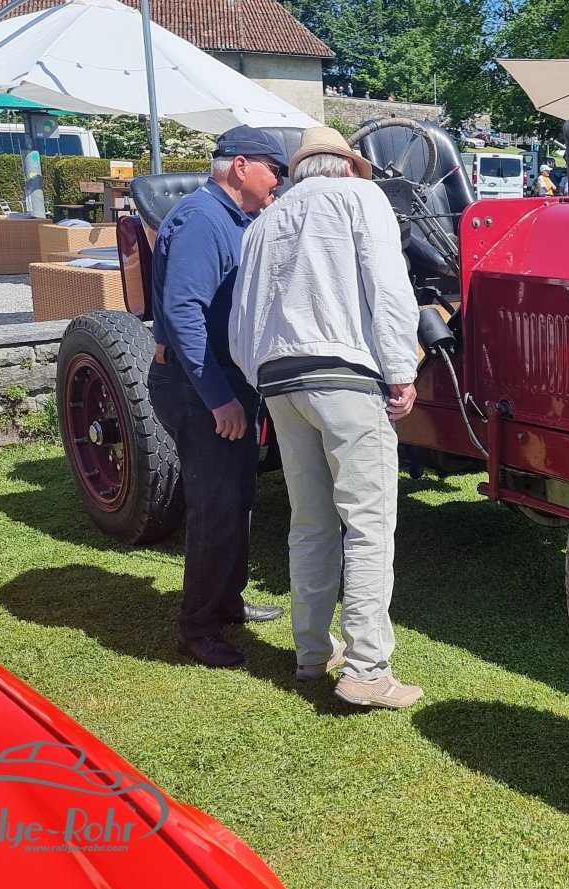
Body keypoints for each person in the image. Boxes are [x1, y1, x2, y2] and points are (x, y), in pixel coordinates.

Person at [228, 127, 424, 708]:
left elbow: (243, 316)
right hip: (345, 376)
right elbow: (389, 288)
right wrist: (401, 370)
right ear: (346, 166)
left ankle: (313, 652)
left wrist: (258, 377)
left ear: (299, 171)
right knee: (368, 525)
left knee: (310, 522)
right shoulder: (361, 198)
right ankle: (367, 668)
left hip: (279, 380)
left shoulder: (264, 222)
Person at [149, 126, 287, 668]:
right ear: (241, 166)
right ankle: (199, 626)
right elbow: (184, 312)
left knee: (238, 497)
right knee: (214, 506)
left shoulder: (233, 218)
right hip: (200, 385)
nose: (279, 181)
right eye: (274, 169)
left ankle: (226, 600)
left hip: (224, 381)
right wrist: (218, 398)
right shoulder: (204, 220)